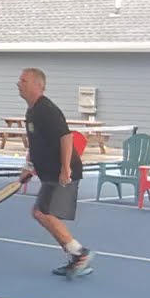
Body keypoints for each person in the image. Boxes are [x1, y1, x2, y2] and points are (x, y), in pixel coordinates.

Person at [16, 67, 93, 278]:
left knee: (43, 212)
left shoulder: (46, 109)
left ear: (37, 85)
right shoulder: (31, 111)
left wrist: (65, 169)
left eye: (23, 80)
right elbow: (36, 145)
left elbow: (66, 137)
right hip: (49, 172)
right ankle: (77, 255)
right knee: (41, 212)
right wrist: (28, 167)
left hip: (63, 171)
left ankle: (80, 254)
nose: (18, 83)